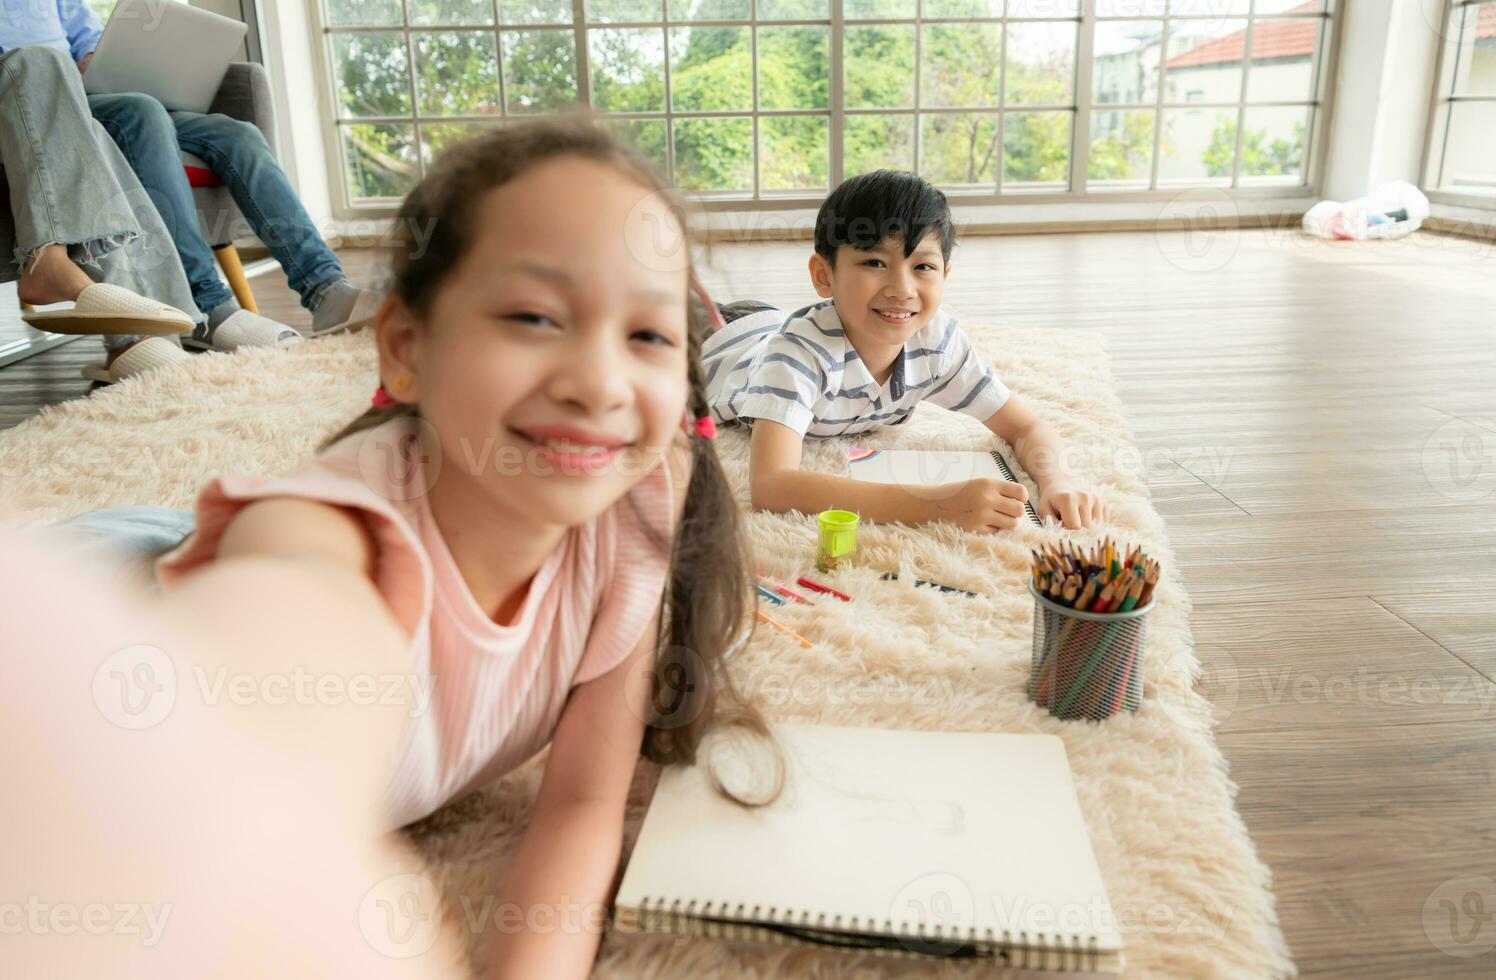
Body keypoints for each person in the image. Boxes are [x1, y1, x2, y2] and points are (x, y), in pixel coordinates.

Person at [38, 116, 771, 977]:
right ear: (405, 349)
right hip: (89, 597)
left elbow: (581, 804)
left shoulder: (642, 499)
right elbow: (252, 754)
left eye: (648, 335)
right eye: (535, 315)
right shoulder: (325, 542)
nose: (601, 383)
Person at [704, 169, 1111, 531]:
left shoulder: (937, 342)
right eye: (875, 263)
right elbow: (773, 487)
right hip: (720, 339)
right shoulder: (795, 357)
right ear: (823, 275)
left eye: (923, 267)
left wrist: (1059, 479)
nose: (902, 289)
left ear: (945, 275)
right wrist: (939, 505)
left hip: (773, 322)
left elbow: (1025, 427)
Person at [4, 0, 382, 349]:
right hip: (28, 103)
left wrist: (99, 60)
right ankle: (206, 307)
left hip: (90, 96)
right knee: (142, 113)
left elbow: (86, 38)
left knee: (238, 135)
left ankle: (325, 288)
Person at [0, 41, 202, 382]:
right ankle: (48, 262)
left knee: (96, 123)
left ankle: (141, 338)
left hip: (53, 96)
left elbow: (91, 42)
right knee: (37, 63)